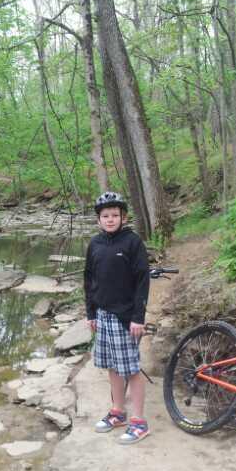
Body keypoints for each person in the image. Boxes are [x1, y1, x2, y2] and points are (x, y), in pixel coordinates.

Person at [84, 191, 151, 445]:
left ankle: (139, 421)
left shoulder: (132, 242)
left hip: (126, 318)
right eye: (105, 216)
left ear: (123, 217)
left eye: (115, 215)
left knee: (131, 369)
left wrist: (138, 317)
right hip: (102, 316)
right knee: (112, 366)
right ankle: (118, 412)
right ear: (98, 220)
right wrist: (91, 313)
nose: (110, 219)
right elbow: (89, 280)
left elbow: (143, 281)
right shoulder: (95, 244)